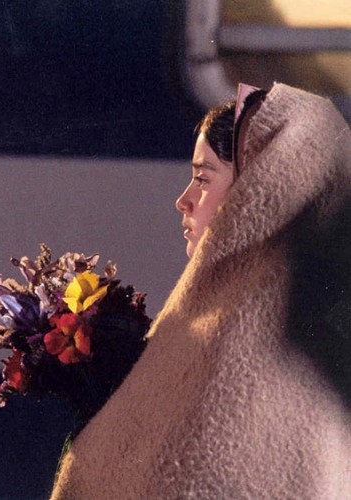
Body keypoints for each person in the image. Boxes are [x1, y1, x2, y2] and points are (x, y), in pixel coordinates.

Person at [51, 82, 351, 498]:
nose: (184, 200)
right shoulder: (284, 337)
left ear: (257, 193)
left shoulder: (240, 350)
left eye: (203, 179)